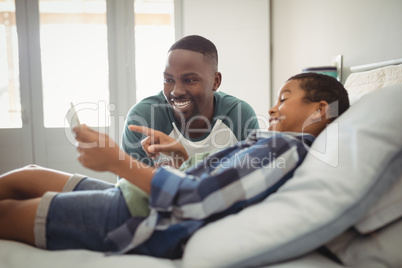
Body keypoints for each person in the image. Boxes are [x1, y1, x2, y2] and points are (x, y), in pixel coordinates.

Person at [0, 73, 349, 259]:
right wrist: (181, 155)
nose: (272, 108)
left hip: (137, 218)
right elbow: (216, 179)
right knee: (28, 175)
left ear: (320, 110)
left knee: (9, 212)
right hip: (135, 199)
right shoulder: (273, 144)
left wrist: (116, 162)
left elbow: (196, 199)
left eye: (284, 99)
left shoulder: (283, 147)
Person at [121, 35, 259, 167]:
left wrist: (180, 161)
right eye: (168, 80)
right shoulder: (143, 117)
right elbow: (128, 189)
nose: (176, 91)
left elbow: (255, 182)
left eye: (190, 80)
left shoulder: (240, 115)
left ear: (215, 81)